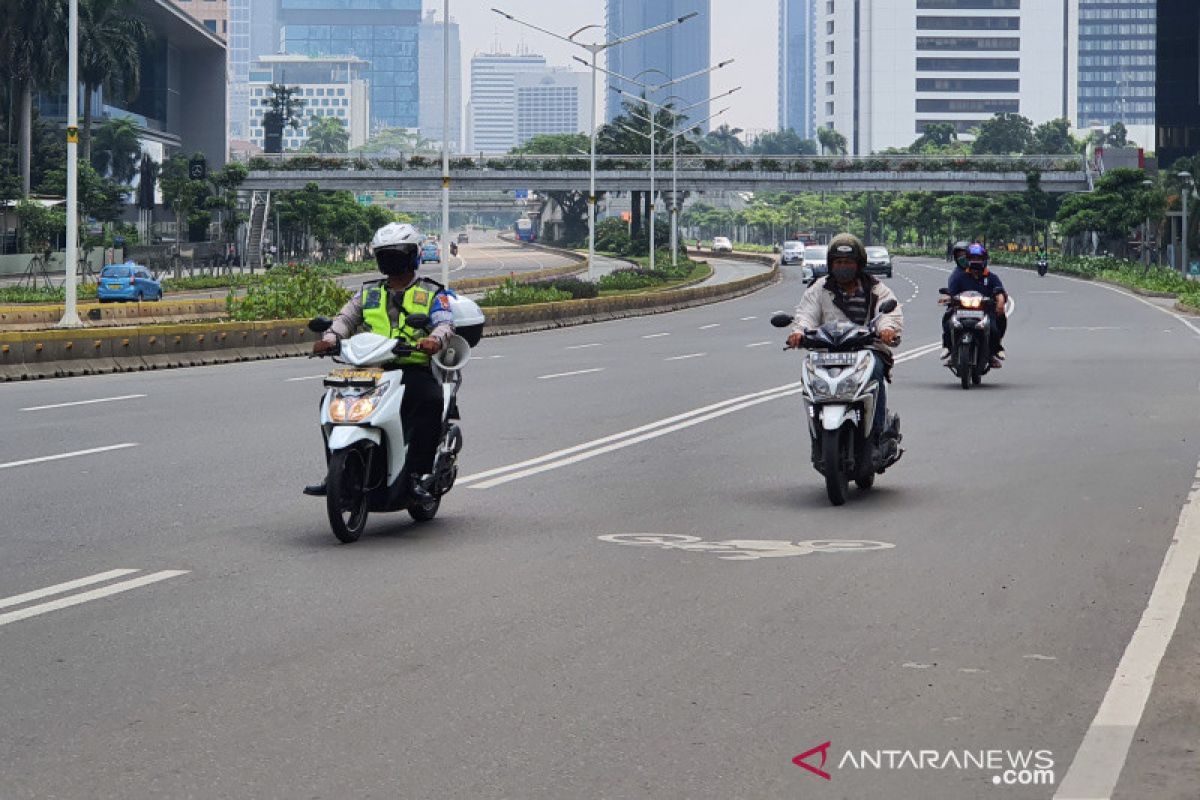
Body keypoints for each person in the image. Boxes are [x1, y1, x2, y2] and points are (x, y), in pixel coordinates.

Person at [305, 222, 455, 502]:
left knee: (430, 399)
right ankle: (335, 473)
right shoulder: (368, 292)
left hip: (410, 367)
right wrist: (329, 338)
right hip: (369, 370)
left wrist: (434, 340)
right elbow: (345, 319)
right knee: (330, 404)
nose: (391, 260)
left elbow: (445, 323)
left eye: (397, 254)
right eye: (385, 255)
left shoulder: (432, 292)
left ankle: (417, 476)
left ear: (413, 256)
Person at [787, 233, 903, 439]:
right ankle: (817, 432)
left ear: (859, 264)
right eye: (838, 262)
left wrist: (887, 330)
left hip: (866, 350)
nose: (843, 266)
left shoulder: (876, 288)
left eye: (848, 262)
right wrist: (798, 332)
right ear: (831, 265)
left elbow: (887, 314)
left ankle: (878, 432)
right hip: (826, 351)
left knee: (876, 369)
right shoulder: (819, 288)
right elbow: (805, 315)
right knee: (808, 372)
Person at [941, 243, 1007, 367]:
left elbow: (1000, 291)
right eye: (973, 258)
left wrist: (1000, 299)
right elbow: (952, 292)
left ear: (984, 260)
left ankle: (994, 351)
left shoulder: (991, 277)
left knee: (993, 327)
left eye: (979, 258)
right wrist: (948, 298)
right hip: (962, 311)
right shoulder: (959, 276)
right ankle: (949, 348)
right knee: (948, 320)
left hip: (984, 312)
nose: (976, 261)